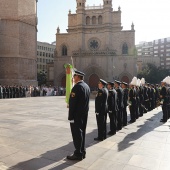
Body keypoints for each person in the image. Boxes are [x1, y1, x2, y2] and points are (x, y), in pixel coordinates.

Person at [67, 70, 90, 161]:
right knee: (82, 133)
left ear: (78, 77)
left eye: (74, 76)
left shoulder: (77, 87)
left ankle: (78, 153)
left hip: (77, 115)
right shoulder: (86, 86)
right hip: (84, 114)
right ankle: (82, 151)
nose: (73, 78)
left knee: (77, 134)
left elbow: (73, 103)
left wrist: (71, 117)